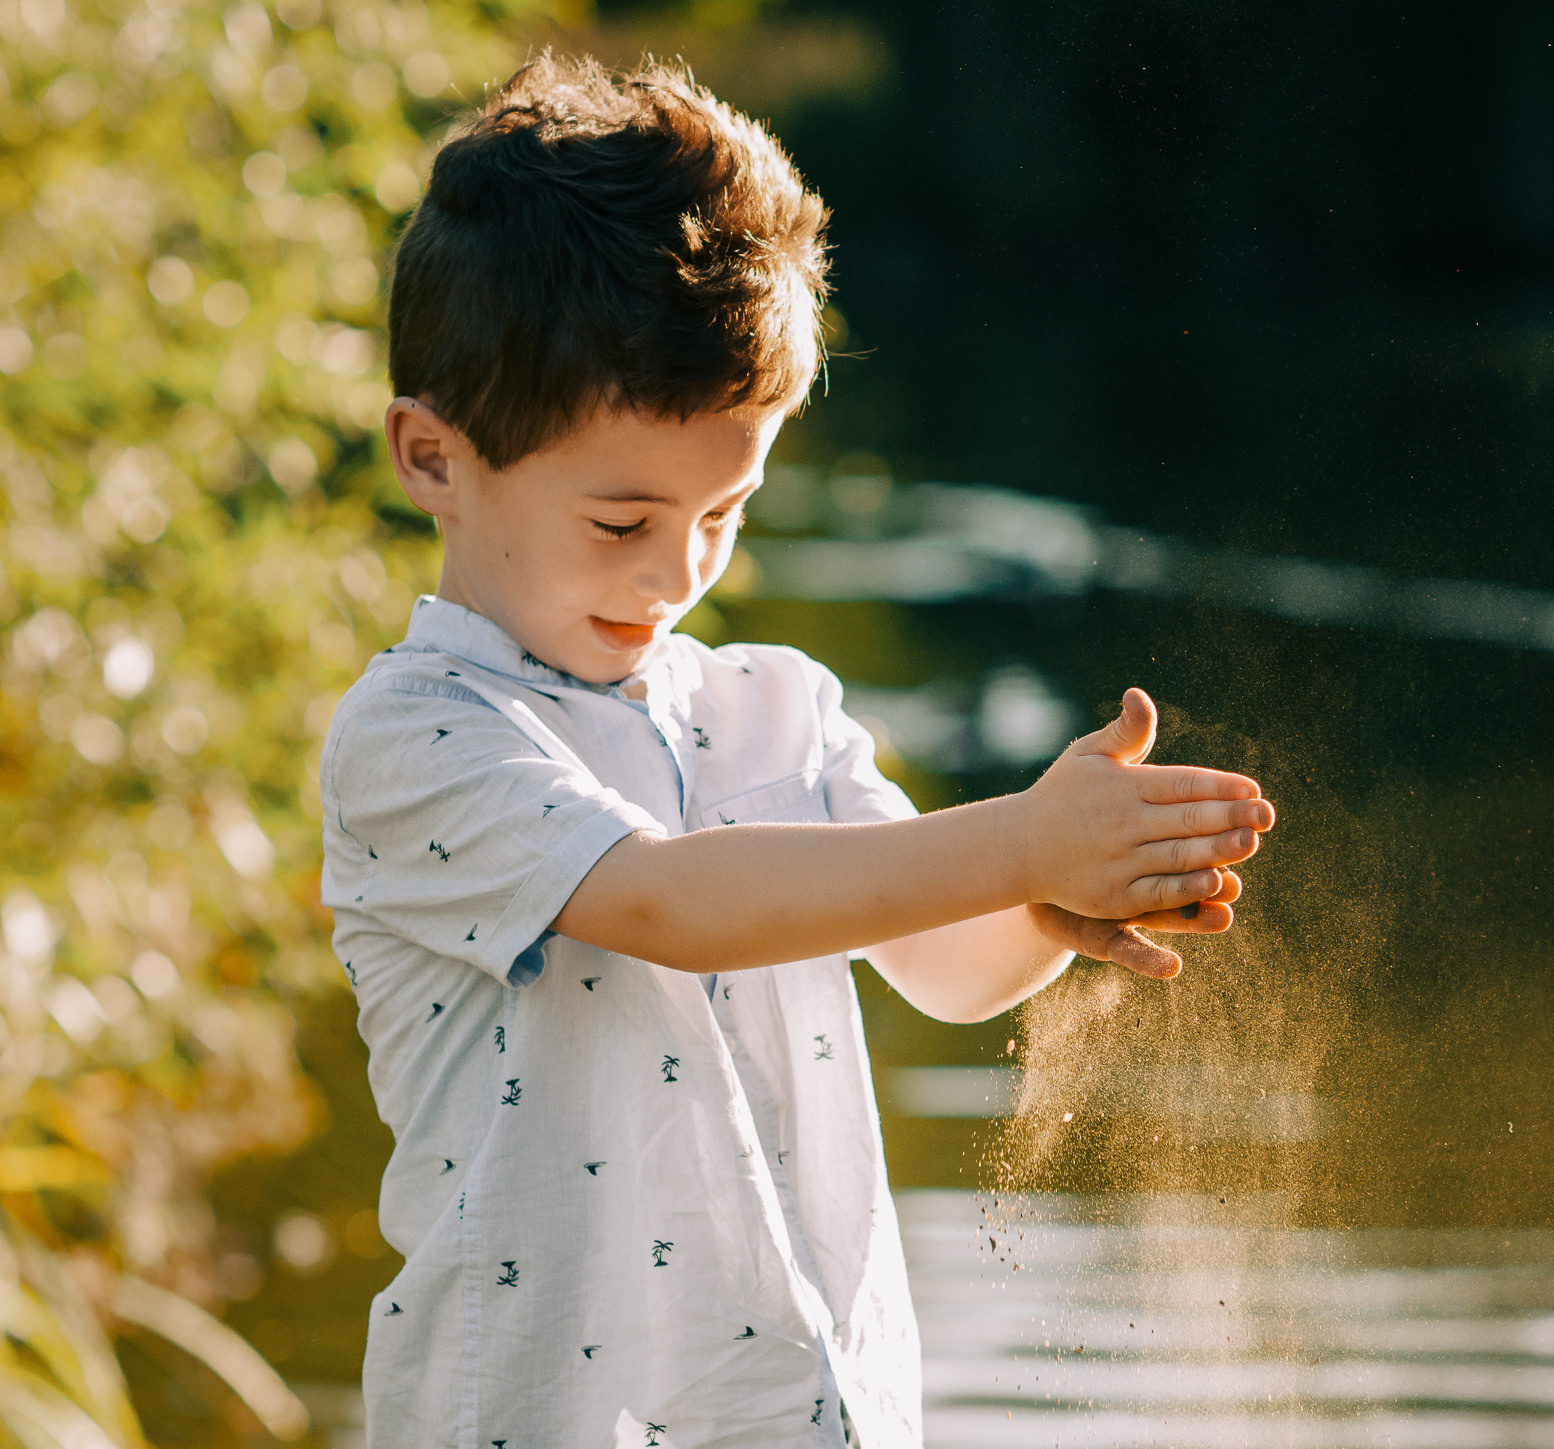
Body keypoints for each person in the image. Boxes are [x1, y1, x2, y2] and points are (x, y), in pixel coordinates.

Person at [318, 52, 1274, 1449]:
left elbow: (942, 964)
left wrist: (1055, 900)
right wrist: (1015, 834)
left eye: (726, 513)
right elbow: (674, 905)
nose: (675, 572)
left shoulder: (775, 703)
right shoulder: (420, 736)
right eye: (620, 521)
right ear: (433, 459)